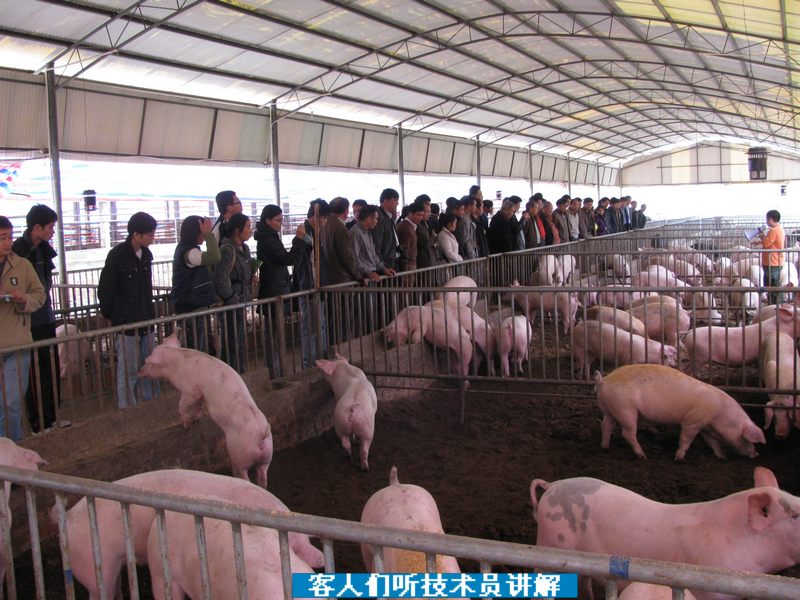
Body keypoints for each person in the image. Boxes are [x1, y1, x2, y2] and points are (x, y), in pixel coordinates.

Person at [98, 212, 160, 408]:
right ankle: (127, 409)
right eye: (149, 234)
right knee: (129, 369)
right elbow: (105, 289)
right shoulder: (117, 256)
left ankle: (151, 404)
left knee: (150, 365)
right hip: (126, 322)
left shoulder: (146, 256)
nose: (152, 238)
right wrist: (112, 315)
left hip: (145, 319)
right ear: (136, 234)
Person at [11, 204, 63, 433]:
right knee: (34, 373)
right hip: (29, 321)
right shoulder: (19, 253)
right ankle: (38, 422)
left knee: (49, 367)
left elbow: (44, 284)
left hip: (45, 315)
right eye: (50, 227)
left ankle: (51, 417)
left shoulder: (43, 251)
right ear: (36, 227)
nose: (52, 231)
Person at [0, 216, 45, 440]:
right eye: (2, 238)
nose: (8, 242)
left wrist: (24, 299)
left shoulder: (22, 266)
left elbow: (40, 295)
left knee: (11, 403)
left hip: (16, 344)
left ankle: (12, 450)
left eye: (10, 237)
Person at [255, 205, 306, 377]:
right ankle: (274, 372)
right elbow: (288, 259)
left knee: (275, 334)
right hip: (274, 290)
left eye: (282, 220)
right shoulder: (268, 239)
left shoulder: (269, 237)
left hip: (275, 287)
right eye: (278, 220)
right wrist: (298, 240)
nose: (281, 223)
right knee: (274, 335)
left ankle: (276, 370)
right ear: (268, 220)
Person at [170, 215, 220, 354]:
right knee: (195, 349)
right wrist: (209, 234)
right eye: (202, 232)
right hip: (191, 306)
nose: (204, 236)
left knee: (199, 344)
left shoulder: (187, 249)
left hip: (192, 304)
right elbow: (215, 257)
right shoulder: (190, 252)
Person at [212, 213, 253, 374]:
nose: (250, 230)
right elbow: (220, 279)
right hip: (231, 304)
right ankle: (231, 375)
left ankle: (239, 374)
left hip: (241, 300)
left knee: (239, 341)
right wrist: (232, 298)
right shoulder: (226, 250)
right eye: (248, 227)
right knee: (232, 342)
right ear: (237, 230)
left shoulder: (245, 248)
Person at [293, 199, 330, 368]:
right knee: (310, 329)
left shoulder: (315, 232)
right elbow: (305, 263)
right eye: (323, 218)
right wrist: (309, 286)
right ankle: (309, 364)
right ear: (316, 216)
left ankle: (320, 360)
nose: (325, 222)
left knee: (319, 326)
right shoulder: (304, 232)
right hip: (309, 288)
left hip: (317, 287)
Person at [350, 205, 397, 282]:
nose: (376, 221)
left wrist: (384, 269)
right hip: (363, 278)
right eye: (376, 218)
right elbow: (354, 259)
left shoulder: (367, 231)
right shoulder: (355, 233)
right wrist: (369, 272)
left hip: (371, 275)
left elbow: (373, 255)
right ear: (369, 219)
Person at [322, 197, 360, 286]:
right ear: (346, 211)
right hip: (342, 278)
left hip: (327, 277)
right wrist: (358, 276)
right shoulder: (340, 228)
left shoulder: (324, 224)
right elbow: (347, 256)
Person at [755, 209, 785, 305]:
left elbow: (766, 244)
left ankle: (775, 305)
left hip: (772, 261)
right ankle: (776, 304)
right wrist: (761, 240)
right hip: (776, 261)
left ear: (771, 219)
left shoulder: (773, 231)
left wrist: (761, 236)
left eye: (767, 219)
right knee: (774, 284)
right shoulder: (779, 228)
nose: (766, 221)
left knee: (773, 286)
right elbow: (771, 242)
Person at [371, 188, 400, 271]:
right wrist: (382, 267)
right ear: (385, 201)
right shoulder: (379, 218)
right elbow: (376, 244)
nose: (397, 203)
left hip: (393, 262)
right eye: (395, 200)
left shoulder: (389, 217)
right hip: (386, 265)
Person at [396, 201, 425, 272]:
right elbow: (404, 251)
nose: (420, 218)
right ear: (410, 213)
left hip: (410, 265)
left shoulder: (411, 226)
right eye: (418, 215)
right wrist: (405, 268)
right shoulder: (405, 227)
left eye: (422, 215)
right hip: (407, 266)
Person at [415, 196, 437, 270]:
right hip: (422, 263)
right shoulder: (417, 225)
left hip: (430, 261)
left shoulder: (426, 223)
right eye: (427, 211)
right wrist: (433, 237)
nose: (429, 214)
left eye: (430, 211)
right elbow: (426, 243)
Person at [456, 196, 478, 260]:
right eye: (474, 205)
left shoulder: (468, 218)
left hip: (469, 253)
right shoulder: (465, 220)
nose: (475, 208)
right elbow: (466, 240)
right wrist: (472, 256)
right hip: (468, 256)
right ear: (469, 206)